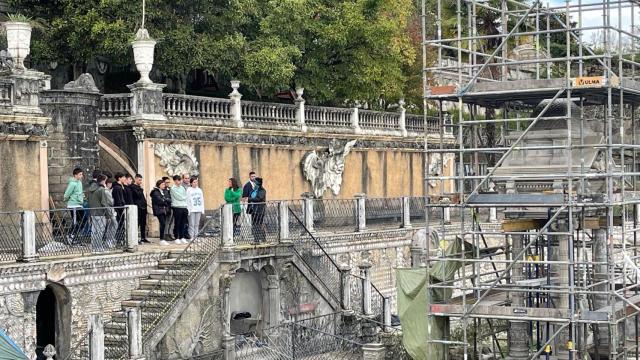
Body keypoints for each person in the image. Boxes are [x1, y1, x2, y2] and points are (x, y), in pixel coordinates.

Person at [87, 174, 110, 250]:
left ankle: (93, 247)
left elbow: (89, 201)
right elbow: (104, 203)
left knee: (94, 230)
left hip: (93, 212)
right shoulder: (101, 189)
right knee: (100, 230)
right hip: (100, 213)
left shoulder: (90, 189)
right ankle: (99, 247)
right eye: (105, 181)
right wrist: (108, 214)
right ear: (103, 181)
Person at [63, 167, 85, 244]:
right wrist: (68, 200)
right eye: (80, 174)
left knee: (82, 221)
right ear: (75, 175)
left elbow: (80, 192)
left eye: (82, 174)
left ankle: (72, 235)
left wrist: (83, 197)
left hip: (79, 204)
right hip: (73, 205)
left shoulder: (79, 182)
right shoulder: (72, 183)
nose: (81, 176)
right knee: (76, 222)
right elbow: (66, 194)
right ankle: (71, 236)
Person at [151, 179, 172, 246]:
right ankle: (161, 239)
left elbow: (168, 199)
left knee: (163, 224)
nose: (164, 185)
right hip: (159, 210)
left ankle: (162, 239)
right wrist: (165, 200)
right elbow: (160, 201)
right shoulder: (155, 192)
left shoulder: (163, 191)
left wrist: (165, 200)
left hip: (164, 210)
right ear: (159, 185)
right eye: (162, 184)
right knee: (162, 223)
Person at [131, 174, 150, 244]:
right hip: (138, 207)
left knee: (143, 223)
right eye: (139, 180)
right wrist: (141, 189)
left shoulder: (139, 187)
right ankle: (135, 238)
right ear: (135, 179)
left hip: (143, 207)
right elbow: (138, 195)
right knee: (137, 223)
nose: (140, 181)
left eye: (141, 180)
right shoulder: (133, 187)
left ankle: (143, 237)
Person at [170, 175, 189, 244]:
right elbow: (179, 197)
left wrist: (184, 197)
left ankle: (182, 237)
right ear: (175, 181)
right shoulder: (173, 188)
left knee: (183, 223)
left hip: (184, 207)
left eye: (180, 180)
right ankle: (176, 237)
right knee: (177, 223)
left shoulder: (182, 188)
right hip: (177, 207)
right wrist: (184, 197)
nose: (179, 181)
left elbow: (185, 196)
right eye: (178, 180)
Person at [247, 177, 267, 244]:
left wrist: (249, 198)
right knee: (254, 225)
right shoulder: (253, 191)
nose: (254, 184)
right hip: (253, 210)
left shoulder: (262, 190)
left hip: (259, 211)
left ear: (258, 183)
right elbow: (250, 199)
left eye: (255, 183)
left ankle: (263, 239)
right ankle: (256, 240)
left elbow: (259, 198)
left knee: (259, 225)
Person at [186, 176, 205, 241]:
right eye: (194, 182)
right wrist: (188, 209)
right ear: (191, 183)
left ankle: (196, 236)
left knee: (197, 224)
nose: (195, 183)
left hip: (198, 208)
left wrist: (202, 209)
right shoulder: (189, 190)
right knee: (191, 224)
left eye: (196, 182)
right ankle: (191, 237)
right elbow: (187, 200)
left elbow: (202, 199)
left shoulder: (199, 190)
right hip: (192, 209)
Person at [112, 173, 127, 238]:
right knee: (119, 223)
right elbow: (118, 199)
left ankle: (121, 238)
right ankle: (119, 238)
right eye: (123, 177)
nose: (125, 179)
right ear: (119, 178)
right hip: (119, 209)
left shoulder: (121, 186)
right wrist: (122, 208)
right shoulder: (117, 187)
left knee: (122, 224)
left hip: (121, 207)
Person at [104, 178, 118, 248]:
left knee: (110, 226)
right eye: (110, 184)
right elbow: (111, 202)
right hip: (109, 211)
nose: (111, 185)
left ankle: (109, 241)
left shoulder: (107, 191)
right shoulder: (106, 191)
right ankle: (109, 240)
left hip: (109, 211)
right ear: (108, 184)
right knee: (114, 225)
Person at [162, 176, 174, 240]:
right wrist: (169, 200)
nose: (168, 184)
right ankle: (165, 234)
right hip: (165, 207)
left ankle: (170, 234)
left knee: (171, 222)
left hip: (171, 207)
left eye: (169, 182)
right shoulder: (162, 190)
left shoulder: (169, 189)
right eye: (166, 182)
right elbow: (164, 198)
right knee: (166, 222)